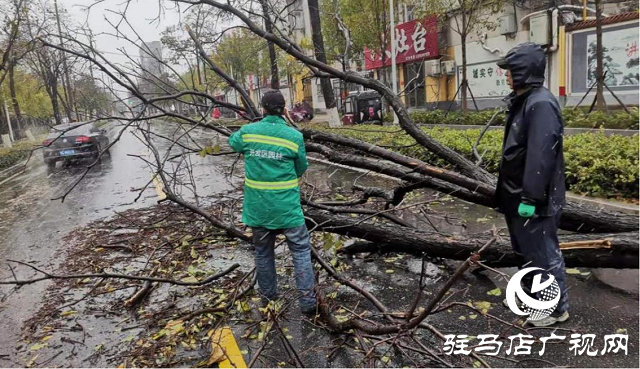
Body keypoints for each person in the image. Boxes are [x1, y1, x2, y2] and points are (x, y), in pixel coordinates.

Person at [495, 43, 569, 327]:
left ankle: (555, 309)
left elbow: (541, 155)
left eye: (510, 70)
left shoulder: (540, 103)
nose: (506, 76)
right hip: (518, 195)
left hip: (534, 198)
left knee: (543, 253)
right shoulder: (524, 100)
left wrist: (530, 196)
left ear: (525, 71)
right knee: (526, 252)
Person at [228, 90, 316, 314]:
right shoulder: (294, 136)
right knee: (301, 252)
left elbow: (233, 142)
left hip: (259, 209)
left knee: (263, 253)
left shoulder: (248, 132)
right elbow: (301, 167)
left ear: (263, 109)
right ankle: (308, 302)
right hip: (287, 209)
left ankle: (268, 299)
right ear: (284, 109)